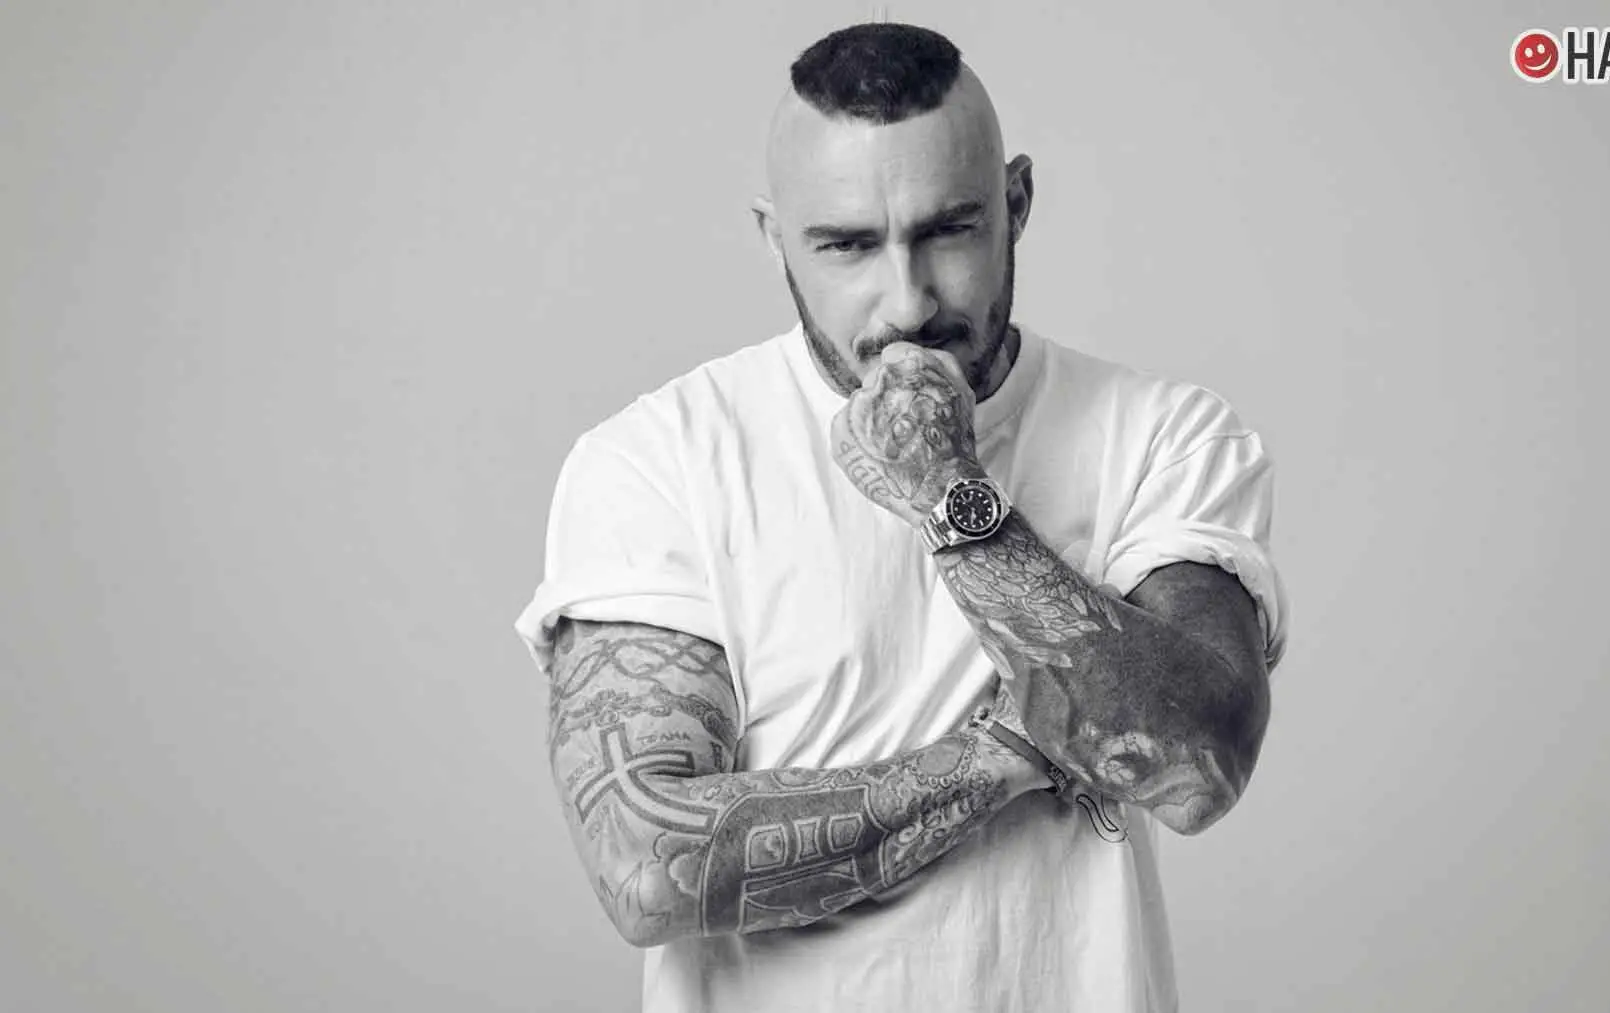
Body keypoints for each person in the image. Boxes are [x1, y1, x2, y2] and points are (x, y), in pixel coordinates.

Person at [514, 21, 1290, 1013]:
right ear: (775, 239)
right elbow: (649, 867)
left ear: (1016, 203)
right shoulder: (658, 459)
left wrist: (946, 488)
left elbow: (1197, 766)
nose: (909, 301)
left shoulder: (1164, 435)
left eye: (949, 230)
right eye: (846, 246)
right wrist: (1008, 752)